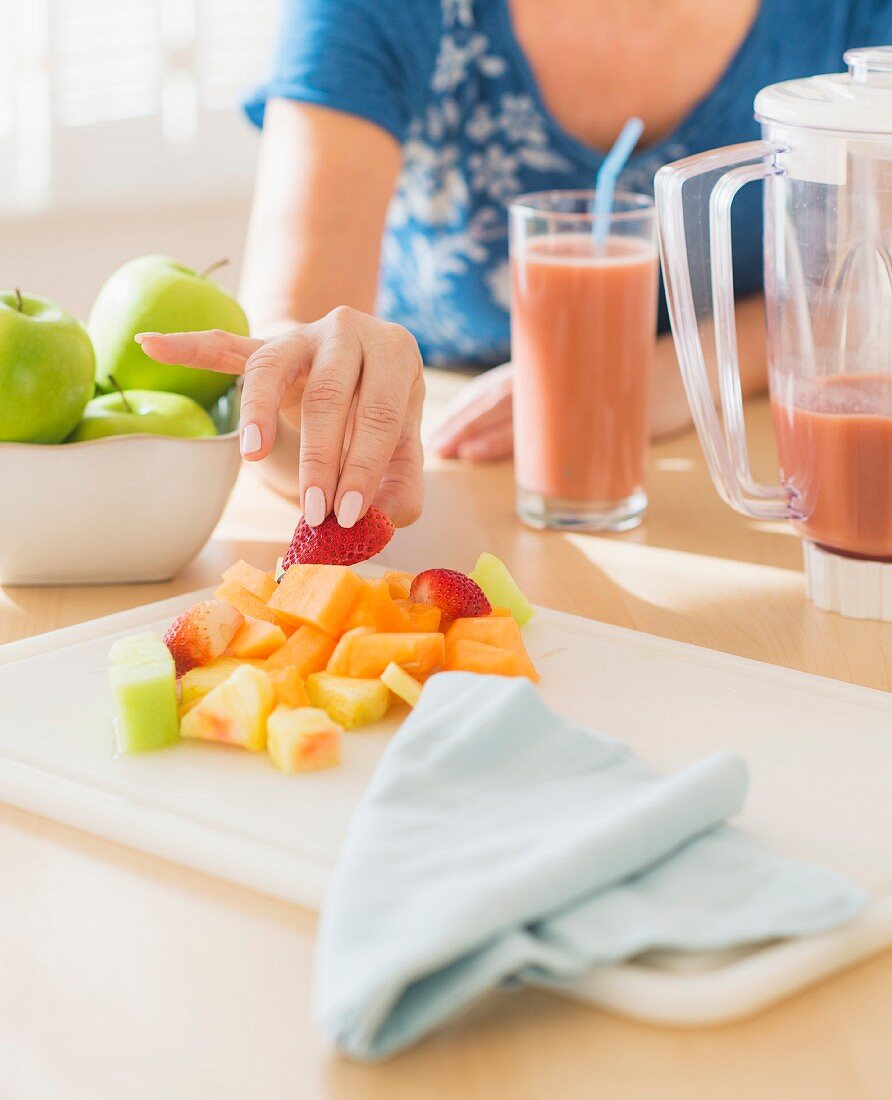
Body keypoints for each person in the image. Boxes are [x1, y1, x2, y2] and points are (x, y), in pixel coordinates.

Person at [140, 0, 892, 529]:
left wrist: (653, 382)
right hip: (447, 465)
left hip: (713, 468)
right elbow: (290, 328)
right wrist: (323, 396)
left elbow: (870, 287)